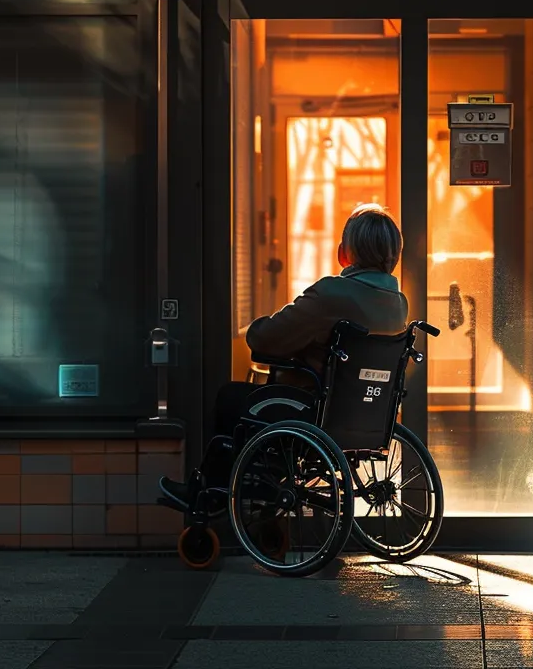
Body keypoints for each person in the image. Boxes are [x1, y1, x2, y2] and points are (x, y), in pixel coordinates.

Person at [159, 203, 410, 509]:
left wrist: (257, 326)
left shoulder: (332, 295)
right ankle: (260, 487)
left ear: (346, 252)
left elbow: (265, 339)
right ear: (394, 254)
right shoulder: (398, 304)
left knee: (231, 398)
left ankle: (214, 495)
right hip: (364, 416)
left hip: (313, 411)